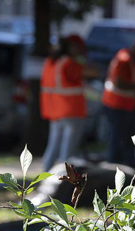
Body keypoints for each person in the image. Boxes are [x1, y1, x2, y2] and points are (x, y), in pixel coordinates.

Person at [40, 34, 99, 172]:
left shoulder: (51, 62)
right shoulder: (69, 63)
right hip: (72, 111)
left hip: (55, 111)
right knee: (67, 153)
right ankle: (62, 182)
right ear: (72, 47)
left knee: (53, 148)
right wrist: (82, 60)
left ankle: (44, 180)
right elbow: (93, 72)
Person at [101, 37, 135, 167]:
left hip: (126, 105)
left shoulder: (132, 60)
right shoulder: (125, 60)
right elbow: (119, 82)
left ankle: (127, 164)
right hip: (116, 105)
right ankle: (113, 165)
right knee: (118, 137)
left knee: (127, 137)